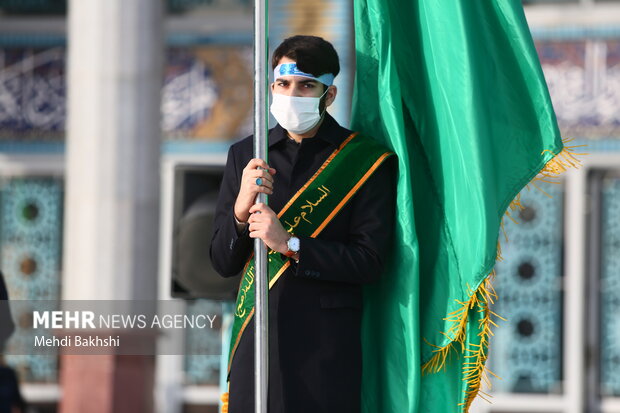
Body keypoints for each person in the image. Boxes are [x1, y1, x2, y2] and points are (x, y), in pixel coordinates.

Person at [209, 35, 397, 413]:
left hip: (324, 350)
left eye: (306, 85)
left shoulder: (367, 161)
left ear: (329, 94)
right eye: (283, 84)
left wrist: (290, 244)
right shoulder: (246, 154)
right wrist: (240, 210)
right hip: (256, 340)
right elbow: (222, 262)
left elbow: (369, 261)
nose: (292, 94)